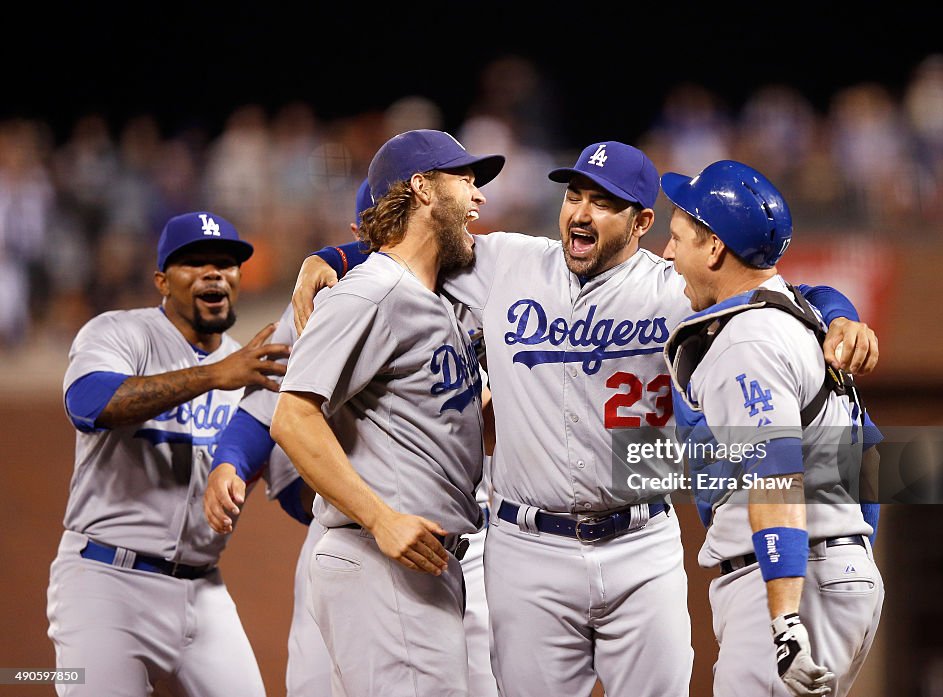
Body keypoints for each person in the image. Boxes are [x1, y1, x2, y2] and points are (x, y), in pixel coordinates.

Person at [291, 138, 879, 697]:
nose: (581, 212)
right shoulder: (506, 263)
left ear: (642, 223)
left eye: (603, 202)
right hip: (527, 546)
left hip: (641, 540)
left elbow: (774, 292)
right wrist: (328, 258)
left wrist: (841, 313)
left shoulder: (676, 287)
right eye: (574, 195)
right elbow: (422, 243)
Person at [204, 178, 500, 697]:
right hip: (365, 530)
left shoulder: (467, 290)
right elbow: (278, 411)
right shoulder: (339, 300)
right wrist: (231, 463)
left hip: (463, 539)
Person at [660, 160, 884, 696]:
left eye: (677, 238)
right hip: (826, 569)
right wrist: (851, 552)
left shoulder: (748, 340)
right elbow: (868, 453)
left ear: (714, 248)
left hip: (790, 582)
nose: (668, 254)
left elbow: (775, 478)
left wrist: (785, 619)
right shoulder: (797, 315)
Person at [47, 211, 291, 697]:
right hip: (104, 584)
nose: (213, 273)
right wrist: (214, 376)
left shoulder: (248, 367)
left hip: (204, 593)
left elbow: (289, 484)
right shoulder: (120, 333)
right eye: (194, 263)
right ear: (162, 281)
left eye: (225, 263)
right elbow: (88, 403)